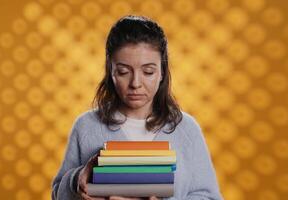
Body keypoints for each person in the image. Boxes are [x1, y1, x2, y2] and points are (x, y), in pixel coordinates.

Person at [52, 15, 223, 200]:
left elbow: (209, 196)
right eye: (123, 71)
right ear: (110, 71)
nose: (135, 83)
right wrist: (77, 180)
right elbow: (57, 194)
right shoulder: (86, 126)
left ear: (162, 72)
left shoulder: (186, 129)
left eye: (148, 71)